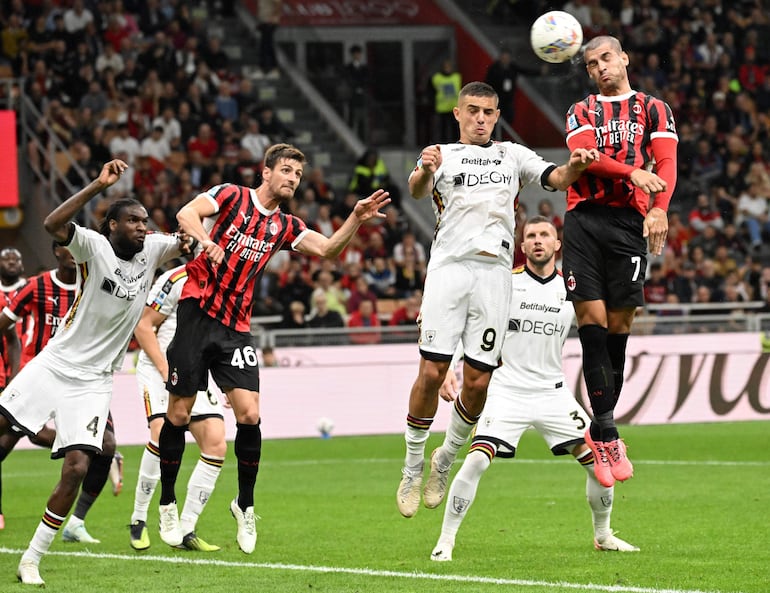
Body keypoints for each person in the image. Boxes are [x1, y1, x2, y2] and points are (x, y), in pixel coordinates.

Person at [156, 143, 390, 554]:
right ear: (265, 172)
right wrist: (205, 240)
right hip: (195, 316)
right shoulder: (231, 195)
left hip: (235, 328)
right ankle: (167, 502)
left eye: (297, 175)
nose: (292, 179)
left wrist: (355, 217)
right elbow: (185, 214)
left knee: (250, 414)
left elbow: (329, 249)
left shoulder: (284, 225)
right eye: (285, 170)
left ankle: (244, 505)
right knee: (177, 414)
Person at [397, 81, 598, 518]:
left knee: (478, 382)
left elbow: (556, 178)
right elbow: (415, 189)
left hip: (495, 275)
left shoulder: (513, 155)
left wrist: (576, 166)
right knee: (431, 373)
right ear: (458, 113)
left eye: (488, 112)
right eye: (473, 111)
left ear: (497, 114)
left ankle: (444, 459)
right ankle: (413, 466)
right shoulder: (441, 154)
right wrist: (425, 170)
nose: (481, 119)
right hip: (449, 270)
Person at [0, 159, 188, 586]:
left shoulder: (154, 249)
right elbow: (51, 223)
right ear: (113, 226)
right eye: (133, 221)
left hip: (94, 380)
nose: (143, 227)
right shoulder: (92, 246)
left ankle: (31, 558)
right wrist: (97, 185)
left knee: (79, 465)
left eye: (145, 220)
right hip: (54, 363)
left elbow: (187, 239)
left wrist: (197, 242)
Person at [430, 216, 639, 562]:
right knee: (477, 462)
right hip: (506, 391)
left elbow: (600, 335)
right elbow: (465, 321)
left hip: (553, 393)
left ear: (558, 245)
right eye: (531, 236)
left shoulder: (574, 291)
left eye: (545, 235)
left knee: (596, 464)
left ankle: (603, 535)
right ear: (522, 245)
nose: (538, 240)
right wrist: (449, 368)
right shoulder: (503, 285)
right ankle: (445, 541)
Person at [562, 36, 678, 488]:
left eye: (606, 58)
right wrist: (632, 171)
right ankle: (607, 432)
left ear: (624, 58)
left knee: (619, 326)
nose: (600, 68)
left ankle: (602, 423)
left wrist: (659, 208)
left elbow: (666, 163)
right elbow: (587, 160)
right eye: (591, 64)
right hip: (584, 218)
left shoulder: (654, 109)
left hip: (629, 223)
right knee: (591, 321)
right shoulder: (582, 110)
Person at [0, 243, 124, 543]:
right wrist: (16, 372)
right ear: (56, 250)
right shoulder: (37, 286)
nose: (76, 252)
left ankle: (77, 522)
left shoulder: (95, 284)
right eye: (70, 247)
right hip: (42, 373)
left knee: (106, 444)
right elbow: (6, 325)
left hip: (83, 377)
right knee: (9, 442)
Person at [130, 264, 226, 552]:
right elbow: (143, 325)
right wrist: (165, 370)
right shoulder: (177, 277)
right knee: (162, 435)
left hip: (196, 368)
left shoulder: (229, 280)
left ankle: (187, 529)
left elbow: (221, 338)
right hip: (159, 366)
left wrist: (228, 383)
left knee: (216, 444)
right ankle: (138, 519)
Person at [431, 59, 462, 144]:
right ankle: (442, 145)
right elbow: (432, 92)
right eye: (446, 66)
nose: (447, 68)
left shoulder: (457, 77)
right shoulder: (437, 78)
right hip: (441, 108)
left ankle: (456, 144)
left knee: (455, 128)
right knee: (442, 129)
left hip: (454, 107)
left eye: (449, 66)